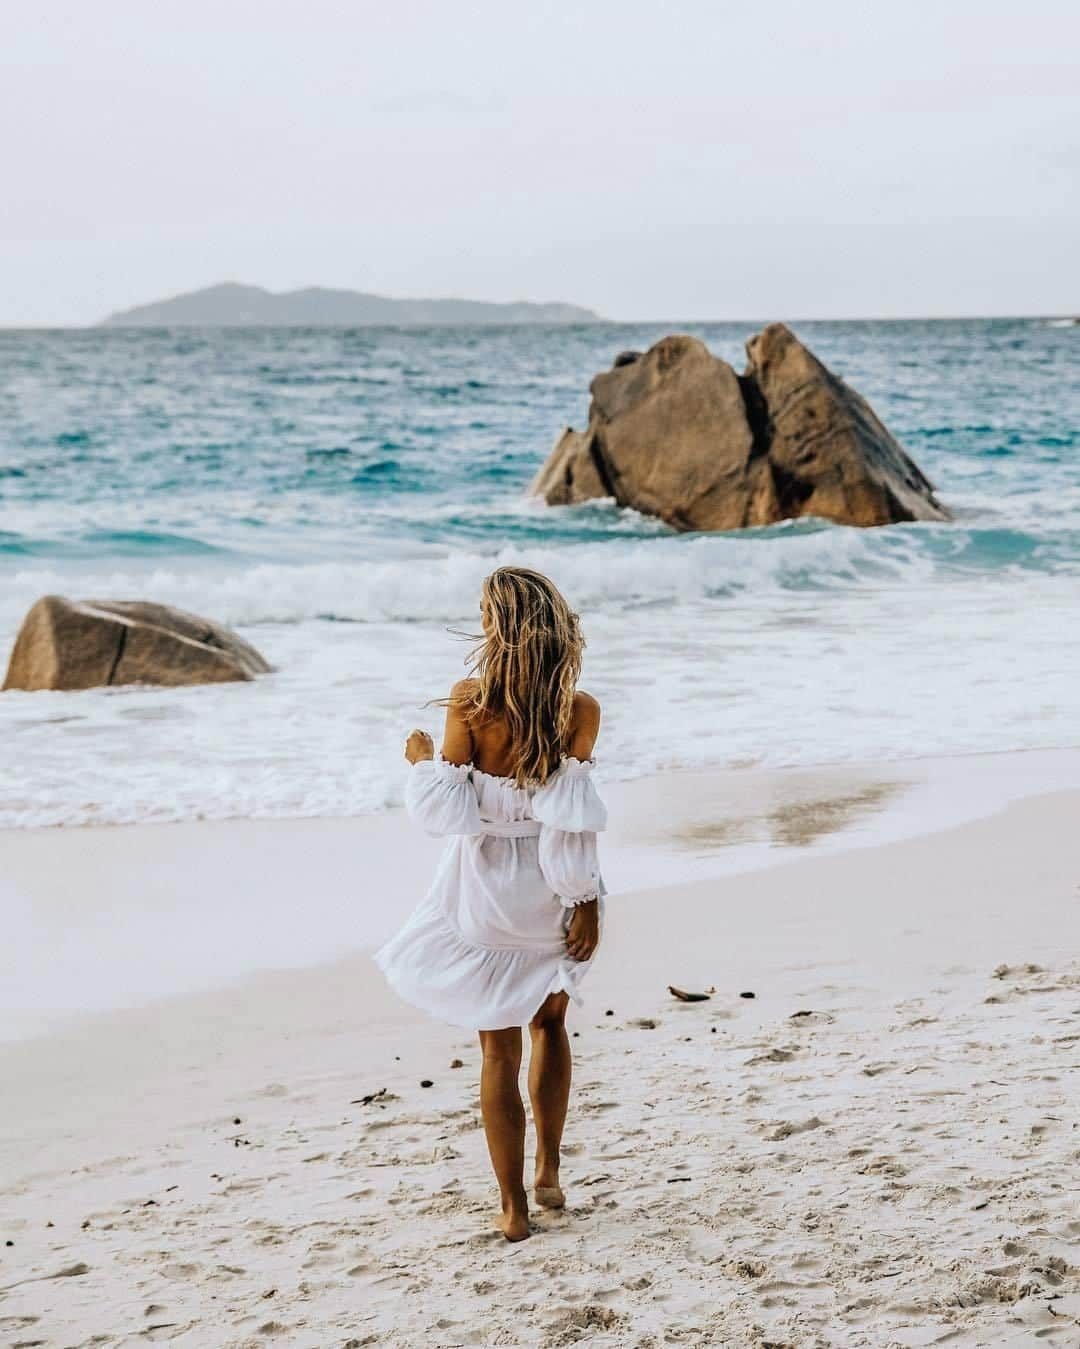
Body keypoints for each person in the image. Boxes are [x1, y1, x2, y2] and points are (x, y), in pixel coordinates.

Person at [375, 566, 606, 1242]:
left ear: (498, 629)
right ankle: (549, 1171)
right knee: (551, 1026)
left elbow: (448, 811)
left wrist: (421, 758)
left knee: (495, 1050)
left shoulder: (470, 702)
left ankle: (512, 1208)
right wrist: (584, 901)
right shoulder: (580, 711)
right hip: (554, 889)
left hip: (487, 893)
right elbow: (572, 820)